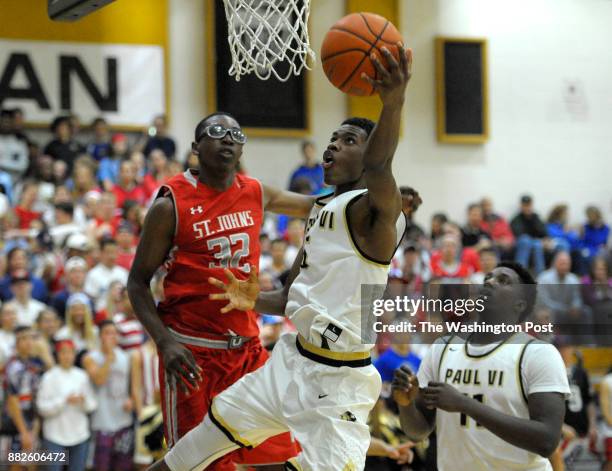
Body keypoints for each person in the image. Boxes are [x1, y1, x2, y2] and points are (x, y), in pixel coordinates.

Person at [150, 43, 415, 471]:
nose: (333, 146)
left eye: (348, 141)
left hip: (339, 383)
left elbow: (382, 167)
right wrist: (250, 298)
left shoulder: (374, 213)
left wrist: (394, 102)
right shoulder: (323, 210)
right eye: (332, 139)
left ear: (368, 156)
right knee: (189, 453)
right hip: (290, 363)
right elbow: (290, 295)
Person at [128, 109, 318, 469]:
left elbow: (318, 209)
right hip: (192, 357)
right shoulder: (171, 205)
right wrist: (164, 342)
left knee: (280, 457)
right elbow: (137, 283)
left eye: (236, 134)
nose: (228, 137)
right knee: (197, 464)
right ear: (196, 146)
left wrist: (374, 193)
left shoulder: (257, 192)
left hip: (247, 352)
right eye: (216, 131)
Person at [393, 262, 571, 470]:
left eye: (503, 281)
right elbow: (418, 431)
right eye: (487, 278)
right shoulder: (442, 348)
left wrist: (465, 404)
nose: (489, 282)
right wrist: (405, 405)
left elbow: (547, 441)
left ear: (520, 304)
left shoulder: (538, 354)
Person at [83, 320, 141, 471]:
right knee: (102, 466)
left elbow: (134, 387)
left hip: (124, 422)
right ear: (100, 336)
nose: (112, 336)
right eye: (108, 333)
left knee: (123, 466)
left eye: (115, 333)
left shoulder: (127, 357)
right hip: (101, 423)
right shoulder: (90, 358)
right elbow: (99, 380)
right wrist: (109, 357)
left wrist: (132, 402)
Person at [36, 339, 98, 471]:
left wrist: (83, 400)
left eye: (70, 353)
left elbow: (92, 405)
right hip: (55, 435)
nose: (67, 356)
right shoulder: (49, 377)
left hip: (79, 434)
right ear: (57, 355)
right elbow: (42, 407)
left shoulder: (82, 376)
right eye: (63, 352)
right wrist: (64, 401)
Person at [2, 326, 45, 458]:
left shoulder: (35, 364)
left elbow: (36, 397)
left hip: (32, 421)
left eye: (32, 338)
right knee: (15, 463)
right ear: (16, 343)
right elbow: (12, 400)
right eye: (24, 339)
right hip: (14, 424)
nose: (29, 342)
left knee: (30, 463)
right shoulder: (13, 366)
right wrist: (24, 431)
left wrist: (35, 426)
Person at [511, 195, 548, 275]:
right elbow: (518, 234)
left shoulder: (535, 217)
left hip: (535, 243)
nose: (527, 208)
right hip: (521, 244)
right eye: (525, 205)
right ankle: (520, 273)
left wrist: (544, 240)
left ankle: (540, 275)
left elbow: (544, 232)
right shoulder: (516, 218)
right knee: (525, 240)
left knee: (537, 244)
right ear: (521, 205)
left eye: (529, 205)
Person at [84, 238, 129, 302]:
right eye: (108, 252)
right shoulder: (93, 274)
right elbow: (90, 299)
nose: (112, 256)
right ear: (101, 253)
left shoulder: (123, 273)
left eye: (114, 252)